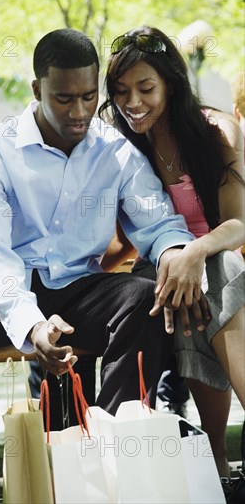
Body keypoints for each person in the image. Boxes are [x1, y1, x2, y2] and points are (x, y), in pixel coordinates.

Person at [0, 29, 209, 427]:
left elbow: (158, 222)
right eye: (64, 98)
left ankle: (118, 441)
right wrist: (32, 324)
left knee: (145, 302)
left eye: (89, 97)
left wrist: (176, 251)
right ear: (37, 89)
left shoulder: (117, 152)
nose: (79, 111)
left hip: (78, 290)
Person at [99, 25, 245, 479]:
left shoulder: (213, 131)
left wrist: (193, 252)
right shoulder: (120, 144)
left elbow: (238, 225)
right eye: (121, 91)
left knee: (209, 273)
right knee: (174, 286)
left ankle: (216, 457)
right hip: (158, 265)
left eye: (146, 88)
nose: (133, 103)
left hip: (219, 255)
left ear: (171, 84)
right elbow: (125, 237)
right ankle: (207, 461)